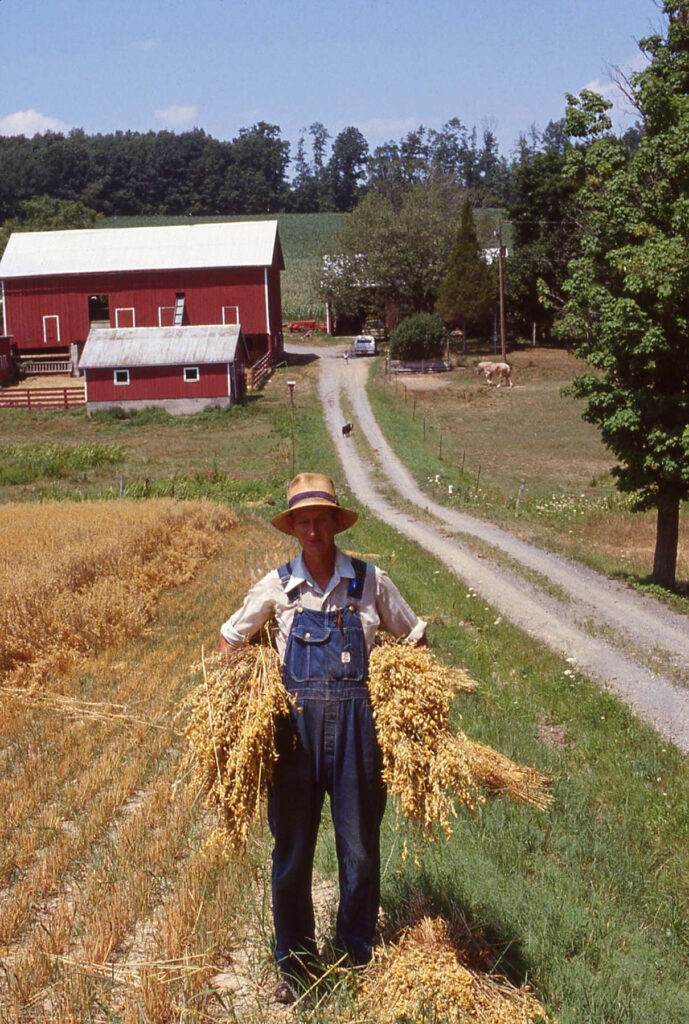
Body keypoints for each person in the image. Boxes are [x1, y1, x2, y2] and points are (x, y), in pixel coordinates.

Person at [219, 472, 426, 1003]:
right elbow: (230, 639)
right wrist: (248, 697)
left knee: (359, 850)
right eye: (302, 521)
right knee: (292, 853)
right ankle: (295, 963)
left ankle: (355, 953)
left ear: (337, 522)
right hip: (295, 740)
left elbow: (415, 638)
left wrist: (413, 700)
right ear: (293, 528)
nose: (313, 530)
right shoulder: (279, 586)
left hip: (360, 735)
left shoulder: (369, 581)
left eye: (321, 519)